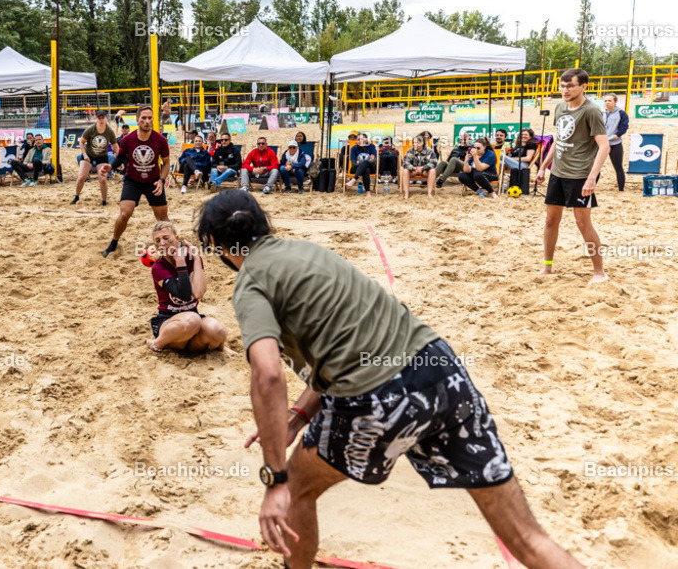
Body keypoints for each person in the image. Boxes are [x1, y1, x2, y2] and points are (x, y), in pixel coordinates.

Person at [193, 191, 583, 569]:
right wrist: (298, 416)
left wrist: (274, 478)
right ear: (263, 223)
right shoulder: (308, 252)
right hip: (442, 370)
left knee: (296, 488)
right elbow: (350, 342)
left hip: (378, 395)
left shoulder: (250, 283)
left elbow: (267, 374)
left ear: (213, 242)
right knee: (527, 538)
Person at [536, 68, 609, 284]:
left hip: (580, 175)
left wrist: (592, 177)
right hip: (558, 172)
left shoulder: (591, 111)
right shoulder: (560, 107)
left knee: (582, 223)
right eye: (562, 86)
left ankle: (599, 272)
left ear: (583, 86)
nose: (565, 90)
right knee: (550, 220)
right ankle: (547, 267)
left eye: (570, 86)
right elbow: (559, 139)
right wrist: (543, 166)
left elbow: (604, 146)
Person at [146, 221, 228, 353]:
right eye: (157, 241)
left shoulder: (192, 259)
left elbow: (198, 293)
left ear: (176, 239)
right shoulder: (158, 267)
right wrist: (180, 263)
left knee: (217, 329)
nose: (162, 243)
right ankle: (157, 344)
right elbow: (183, 294)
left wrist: (196, 259)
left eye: (166, 238)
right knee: (192, 320)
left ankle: (222, 348)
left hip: (193, 327)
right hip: (169, 322)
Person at [101, 105, 170, 258]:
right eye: (143, 118)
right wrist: (110, 166)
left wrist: (162, 180)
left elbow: (166, 163)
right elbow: (120, 157)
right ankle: (113, 243)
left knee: (163, 218)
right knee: (125, 213)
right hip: (133, 180)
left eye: (150, 118)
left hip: (153, 182)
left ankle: (170, 246)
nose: (147, 121)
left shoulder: (160, 140)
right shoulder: (128, 140)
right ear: (137, 119)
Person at [72, 110, 119, 206]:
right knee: (81, 177)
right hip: (88, 154)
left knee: (102, 179)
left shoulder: (109, 131)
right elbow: (81, 142)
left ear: (106, 118)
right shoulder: (91, 129)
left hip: (101, 156)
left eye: (103, 118)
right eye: (99, 118)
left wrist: (120, 160)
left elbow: (115, 147)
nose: (101, 120)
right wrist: (84, 154)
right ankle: (76, 196)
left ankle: (104, 200)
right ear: (96, 119)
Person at [602, 92, 629, 191]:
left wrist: (616, 136)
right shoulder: (602, 113)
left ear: (615, 102)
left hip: (615, 144)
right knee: (595, 166)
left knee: (618, 167)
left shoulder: (621, 113)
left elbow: (624, 127)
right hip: (601, 144)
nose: (607, 102)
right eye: (605, 101)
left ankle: (621, 189)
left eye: (610, 100)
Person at [400, 134, 438, 199]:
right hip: (413, 171)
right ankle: (406, 194)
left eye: (416, 143)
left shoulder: (429, 151)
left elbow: (433, 162)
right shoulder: (410, 151)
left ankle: (429, 194)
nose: (414, 144)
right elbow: (405, 163)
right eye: (414, 143)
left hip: (424, 171)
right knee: (405, 171)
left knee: (432, 170)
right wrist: (414, 168)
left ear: (422, 143)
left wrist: (423, 168)